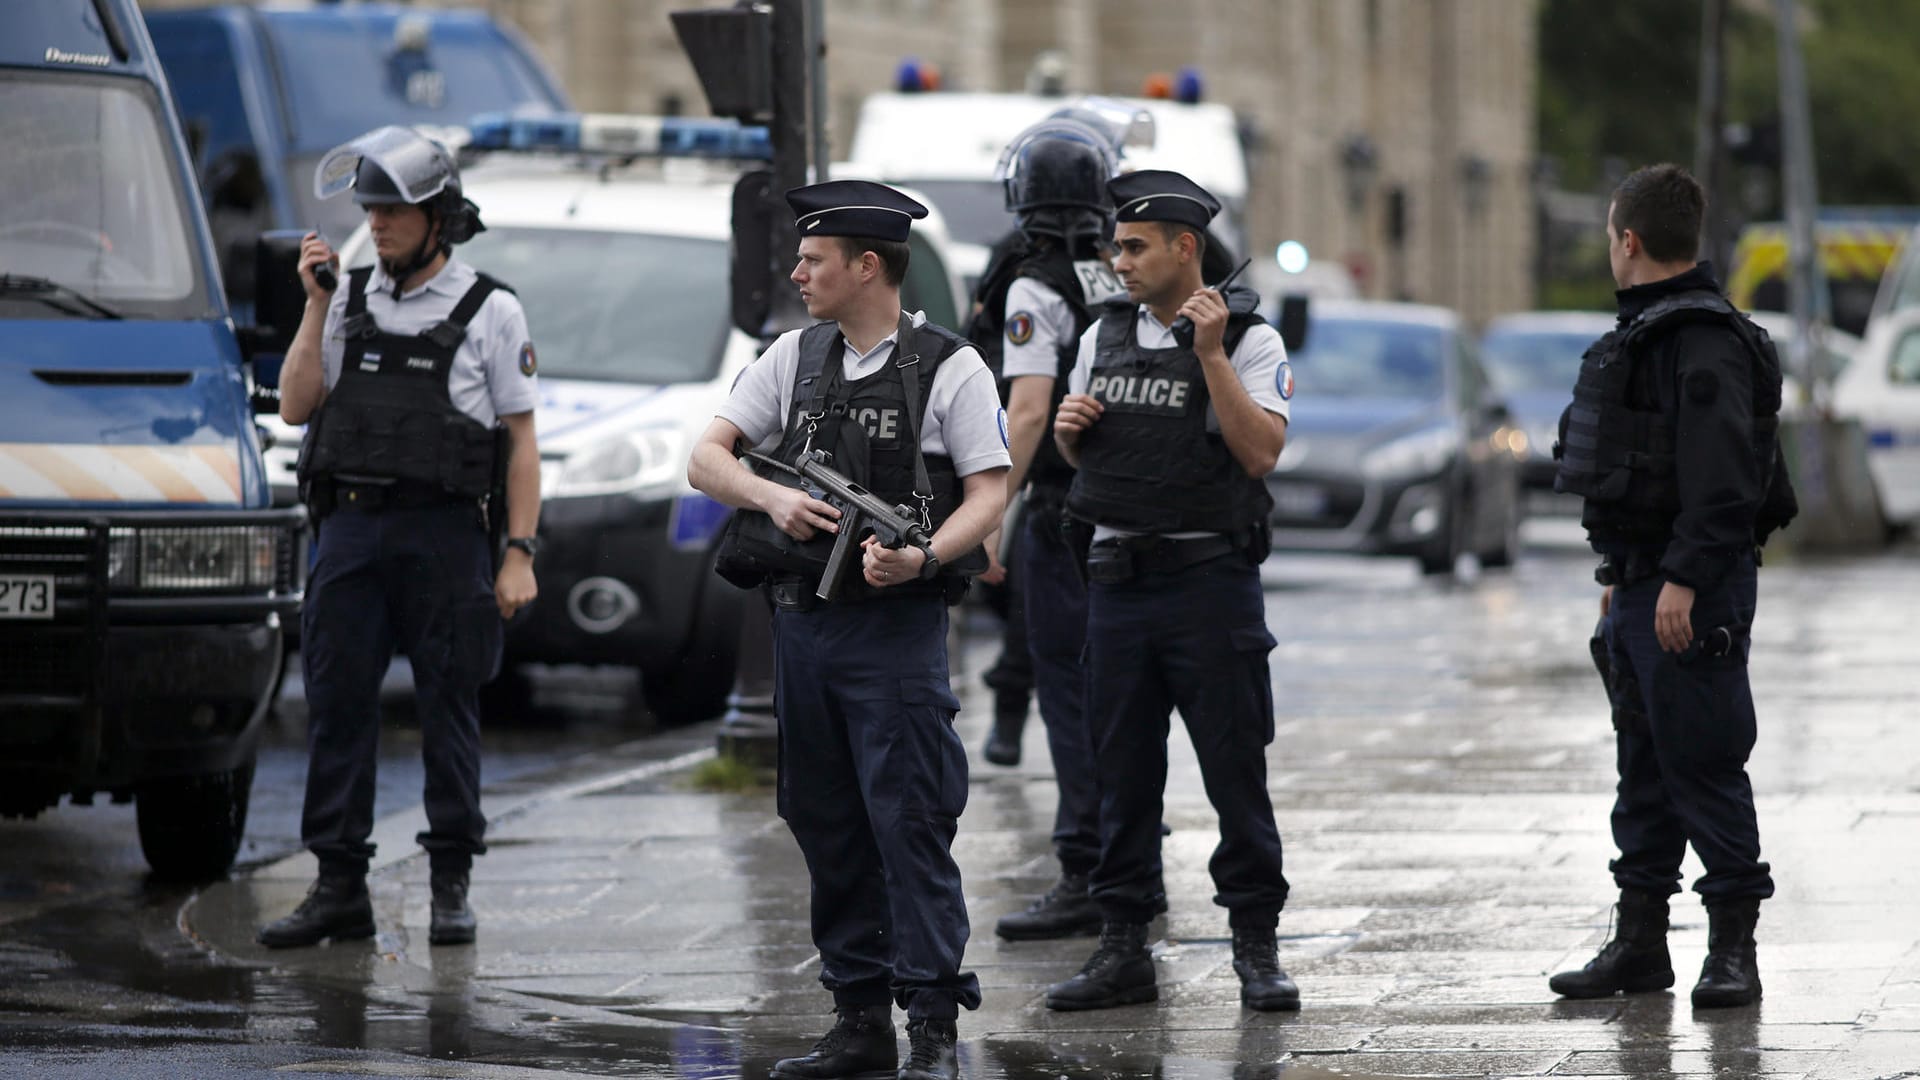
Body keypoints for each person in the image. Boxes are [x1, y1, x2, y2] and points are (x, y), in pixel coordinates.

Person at [688, 179, 1009, 1080]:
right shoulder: (793, 357)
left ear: (867, 266)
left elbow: (989, 491)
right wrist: (773, 495)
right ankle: (858, 1018)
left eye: (815, 260)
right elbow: (706, 459)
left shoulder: (952, 367)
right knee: (823, 821)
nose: (798, 272)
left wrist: (926, 557)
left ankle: (934, 1028)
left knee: (908, 820)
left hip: (895, 634)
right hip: (804, 630)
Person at [257, 126, 541, 950]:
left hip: (446, 535)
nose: (376, 224)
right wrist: (316, 305)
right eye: (370, 209)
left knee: (450, 704)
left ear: (438, 219)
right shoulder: (345, 299)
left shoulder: (492, 308)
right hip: (349, 528)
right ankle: (339, 885)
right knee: (336, 706)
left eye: (394, 211)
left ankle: (450, 882)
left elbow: (520, 443)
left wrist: (519, 553)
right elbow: (298, 406)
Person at [1046, 170, 1298, 1013]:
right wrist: (1070, 438)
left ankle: (1255, 949)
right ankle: (1123, 947)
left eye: (1134, 246)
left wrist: (1212, 354)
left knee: (1234, 771)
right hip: (1117, 585)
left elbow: (1260, 452)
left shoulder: (1252, 338)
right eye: (1117, 245)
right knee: (1120, 776)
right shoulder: (1101, 335)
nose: (1117, 261)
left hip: (1208, 586)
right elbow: (1100, 467)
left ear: (1184, 250)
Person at [1549, 163, 1795, 1009]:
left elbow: (1725, 482)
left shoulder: (1703, 340)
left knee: (1705, 765)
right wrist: (1620, 577)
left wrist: (1683, 580)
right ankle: (1640, 946)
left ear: (1629, 240)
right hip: (1640, 585)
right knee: (1644, 772)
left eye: (1609, 236)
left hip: (1691, 591)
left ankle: (1734, 953)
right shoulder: (1648, 331)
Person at [966, 114, 1124, 941]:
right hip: (1131, 511)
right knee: (1122, 698)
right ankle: (1129, 869)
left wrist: (990, 512)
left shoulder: (1032, 284)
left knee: (1068, 692)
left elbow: (1026, 409)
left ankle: (1086, 873)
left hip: (1066, 515)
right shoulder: (1121, 268)